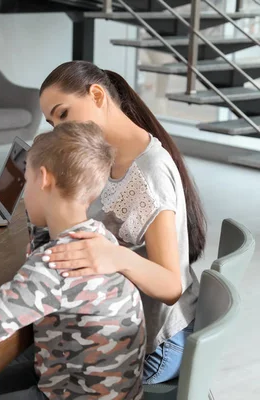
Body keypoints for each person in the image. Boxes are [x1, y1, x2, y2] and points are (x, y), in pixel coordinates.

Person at [35, 60, 206, 384]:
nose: (59, 129)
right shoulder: (106, 156)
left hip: (156, 345)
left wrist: (113, 256)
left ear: (97, 95)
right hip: (121, 321)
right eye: (51, 122)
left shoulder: (149, 171)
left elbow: (171, 287)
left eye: (63, 114)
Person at [0, 122, 146, 400]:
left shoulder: (53, 264)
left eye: (26, 178)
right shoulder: (102, 239)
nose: (24, 193)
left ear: (44, 179)